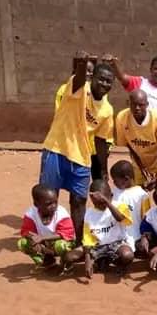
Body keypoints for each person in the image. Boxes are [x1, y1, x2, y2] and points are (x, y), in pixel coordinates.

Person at [40, 53, 115, 242]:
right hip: (57, 149)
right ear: (92, 78)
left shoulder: (107, 109)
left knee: (79, 200)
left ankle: (79, 241)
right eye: (101, 79)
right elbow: (79, 79)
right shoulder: (79, 88)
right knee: (49, 197)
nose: (104, 84)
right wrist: (81, 64)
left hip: (82, 156)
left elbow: (100, 141)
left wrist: (103, 171)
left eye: (109, 81)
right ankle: (47, 239)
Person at [65, 180, 135, 278]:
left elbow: (119, 218)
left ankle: (114, 263)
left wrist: (107, 202)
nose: (101, 206)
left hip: (117, 244)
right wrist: (87, 259)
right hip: (97, 247)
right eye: (97, 203)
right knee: (69, 257)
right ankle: (101, 261)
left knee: (127, 255)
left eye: (103, 202)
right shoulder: (89, 213)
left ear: (111, 196)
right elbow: (87, 239)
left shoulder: (120, 206)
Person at [103, 54, 157, 131]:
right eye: (156, 69)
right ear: (151, 69)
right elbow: (122, 78)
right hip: (139, 134)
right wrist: (113, 65)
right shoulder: (140, 83)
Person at [114, 89, 157, 187]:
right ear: (128, 103)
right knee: (137, 190)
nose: (137, 108)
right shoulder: (122, 118)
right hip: (138, 163)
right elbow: (126, 146)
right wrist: (142, 168)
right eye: (134, 104)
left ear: (147, 105)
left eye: (141, 105)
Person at [18, 184, 76, 269]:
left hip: (59, 242)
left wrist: (42, 238)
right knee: (23, 243)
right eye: (49, 204)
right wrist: (32, 239)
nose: (54, 206)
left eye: (55, 202)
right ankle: (46, 262)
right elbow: (26, 231)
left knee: (61, 245)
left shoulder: (61, 213)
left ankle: (66, 262)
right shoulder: (31, 214)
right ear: (36, 204)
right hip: (44, 244)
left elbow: (66, 234)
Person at [110, 160, 150, 248]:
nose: (114, 183)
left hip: (135, 238)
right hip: (117, 238)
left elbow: (146, 218)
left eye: (115, 180)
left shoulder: (142, 195)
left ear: (126, 179)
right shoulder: (113, 192)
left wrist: (144, 237)